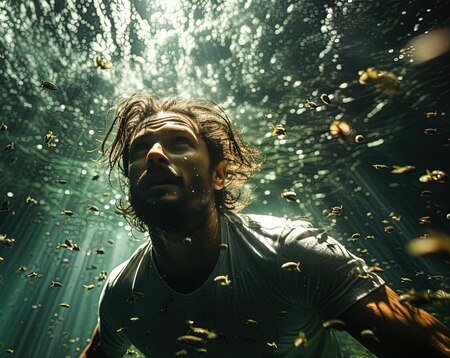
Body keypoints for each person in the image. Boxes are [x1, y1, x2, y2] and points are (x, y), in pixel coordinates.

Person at [80, 92, 450, 357]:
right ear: (131, 179)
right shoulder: (121, 293)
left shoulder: (296, 252)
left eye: (178, 143)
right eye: (141, 149)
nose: (156, 154)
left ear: (218, 174)